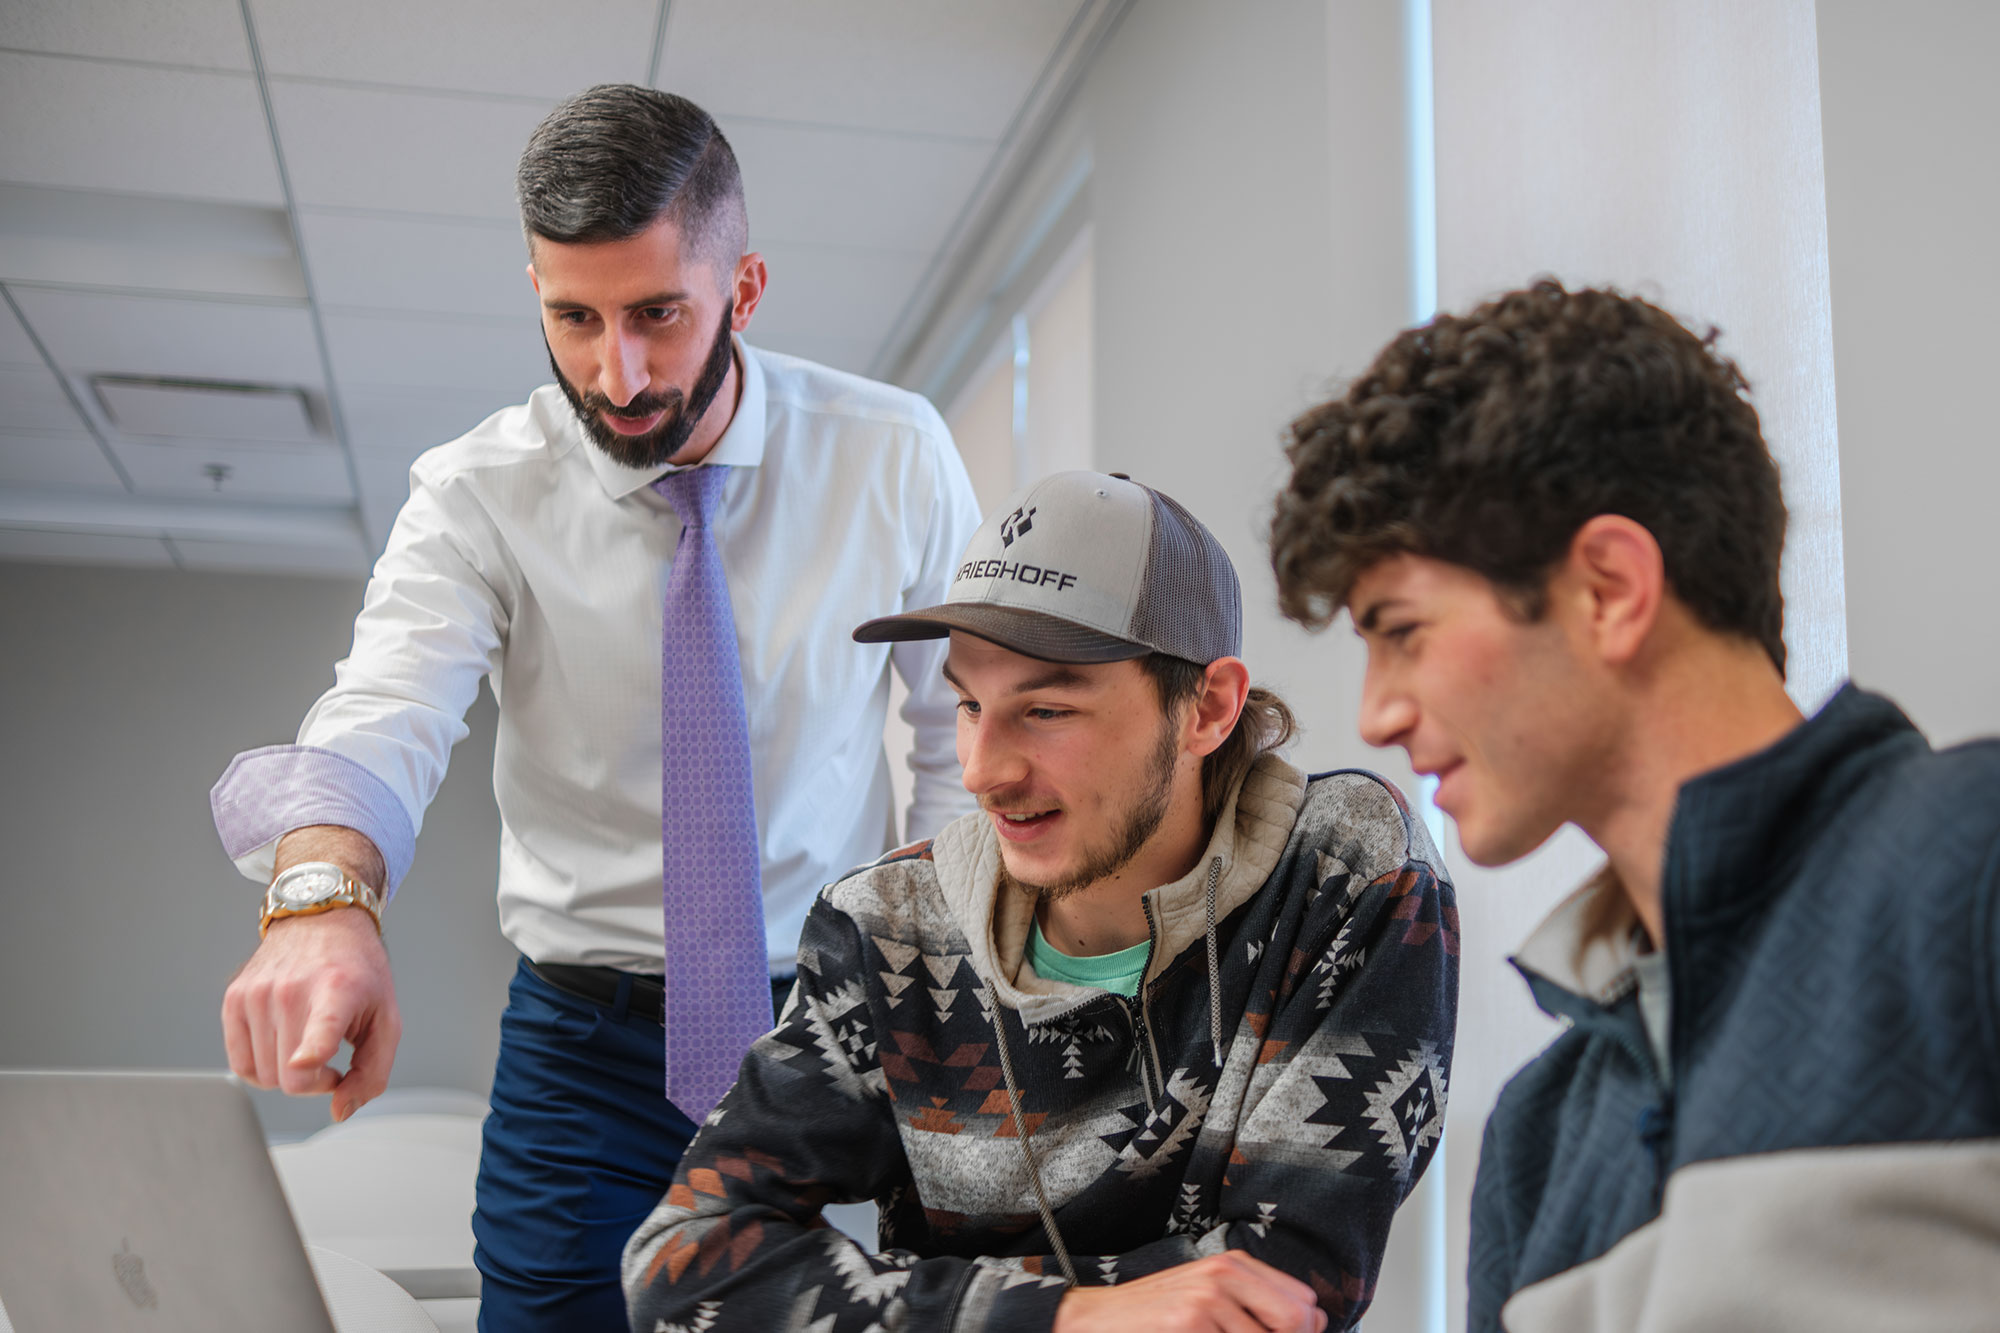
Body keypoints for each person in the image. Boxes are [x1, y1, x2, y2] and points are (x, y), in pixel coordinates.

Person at [208, 84, 982, 1328]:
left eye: (655, 315)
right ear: (534, 291)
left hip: (831, 1018)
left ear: (743, 290)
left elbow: (960, 737)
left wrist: (936, 954)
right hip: (581, 1033)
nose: (614, 373)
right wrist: (321, 901)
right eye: (574, 318)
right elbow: (382, 711)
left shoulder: (891, 455)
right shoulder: (476, 493)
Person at [1270, 280, 2000, 1332]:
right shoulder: (1540, 1134)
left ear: (1607, 589)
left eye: (1400, 628)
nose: (1376, 712)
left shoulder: (1967, 864)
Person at [622, 470, 1459, 1333]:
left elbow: (1285, 1291)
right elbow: (682, 1267)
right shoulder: (887, 928)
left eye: (1047, 708)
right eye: (969, 703)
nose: (983, 770)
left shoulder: (1344, 876)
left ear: (1208, 708)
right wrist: (1068, 1317)